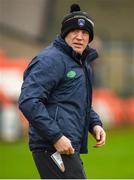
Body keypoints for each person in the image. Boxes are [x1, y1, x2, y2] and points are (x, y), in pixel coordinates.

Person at [18, 3, 106, 179]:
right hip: (51, 145)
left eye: (85, 33)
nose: (79, 37)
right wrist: (56, 136)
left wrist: (94, 124)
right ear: (65, 33)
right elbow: (29, 100)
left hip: (66, 144)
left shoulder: (81, 62)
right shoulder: (50, 60)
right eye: (74, 31)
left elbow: (79, 101)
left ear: (90, 38)